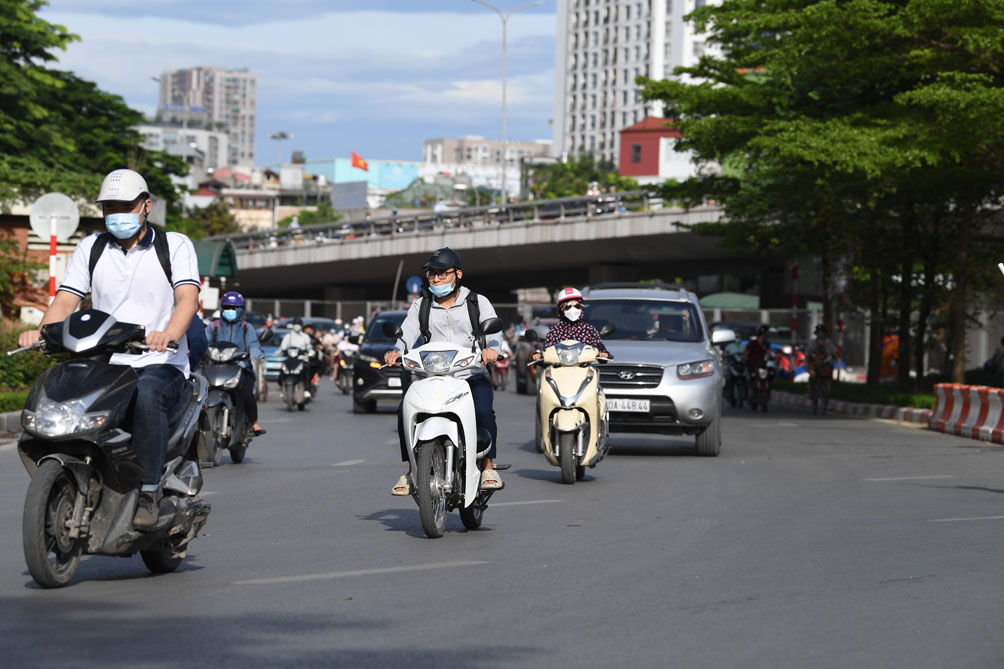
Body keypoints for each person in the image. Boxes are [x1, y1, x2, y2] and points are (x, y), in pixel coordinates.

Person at [19, 168, 201, 527]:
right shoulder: (91, 247)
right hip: (102, 360)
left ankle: (149, 491)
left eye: (125, 205)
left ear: (145, 205)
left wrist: (168, 334)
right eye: (109, 206)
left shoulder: (175, 245)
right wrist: (41, 332)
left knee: (148, 395)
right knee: (59, 388)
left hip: (157, 360)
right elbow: (66, 301)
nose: (116, 212)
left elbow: (187, 299)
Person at [384, 247, 503, 495]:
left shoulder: (477, 302)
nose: (436, 279)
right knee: (404, 410)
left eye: (442, 273)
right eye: (431, 274)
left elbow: (493, 334)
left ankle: (489, 466)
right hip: (432, 375)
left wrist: (491, 350)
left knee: (483, 410)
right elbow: (406, 335)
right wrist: (396, 351)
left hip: (469, 372)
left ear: (457, 274)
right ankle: (410, 471)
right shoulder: (421, 305)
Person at [205, 291, 266, 436]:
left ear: (241, 309)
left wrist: (255, 354)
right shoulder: (213, 327)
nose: (230, 311)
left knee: (246, 395)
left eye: (234, 308)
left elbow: (254, 344)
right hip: (216, 368)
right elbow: (203, 343)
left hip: (241, 368)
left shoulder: (247, 328)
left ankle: (253, 422)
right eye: (227, 307)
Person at [532, 287, 612, 360]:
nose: (573, 309)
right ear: (561, 309)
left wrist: (604, 353)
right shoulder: (554, 331)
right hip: (559, 372)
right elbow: (546, 351)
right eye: (568, 307)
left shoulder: (589, 330)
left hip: (585, 371)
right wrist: (539, 355)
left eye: (577, 306)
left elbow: (599, 346)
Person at [279, 317, 315, 397]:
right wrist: (279, 352)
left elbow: (309, 347)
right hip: (290, 359)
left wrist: (311, 352)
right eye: (295, 324)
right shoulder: (288, 336)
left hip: (301, 358)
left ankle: (307, 388)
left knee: (308, 368)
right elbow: (283, 347)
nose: (297, 326)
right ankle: (283, 388)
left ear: (301, 326)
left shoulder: (305, 336)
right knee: (282, 369)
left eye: (298, 324)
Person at [806, 325, 838, 407]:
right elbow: (807, 353)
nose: (820, 334)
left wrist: (834, 354)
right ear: (816, 333)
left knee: (828, 377)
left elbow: (835, 352)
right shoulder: (812, 343)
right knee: (812, 376)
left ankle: (827, 394)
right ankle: (810, 393)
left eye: (822, 332)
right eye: (819, 332)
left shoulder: (829, 343)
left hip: (826, 364)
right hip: (815, 364)